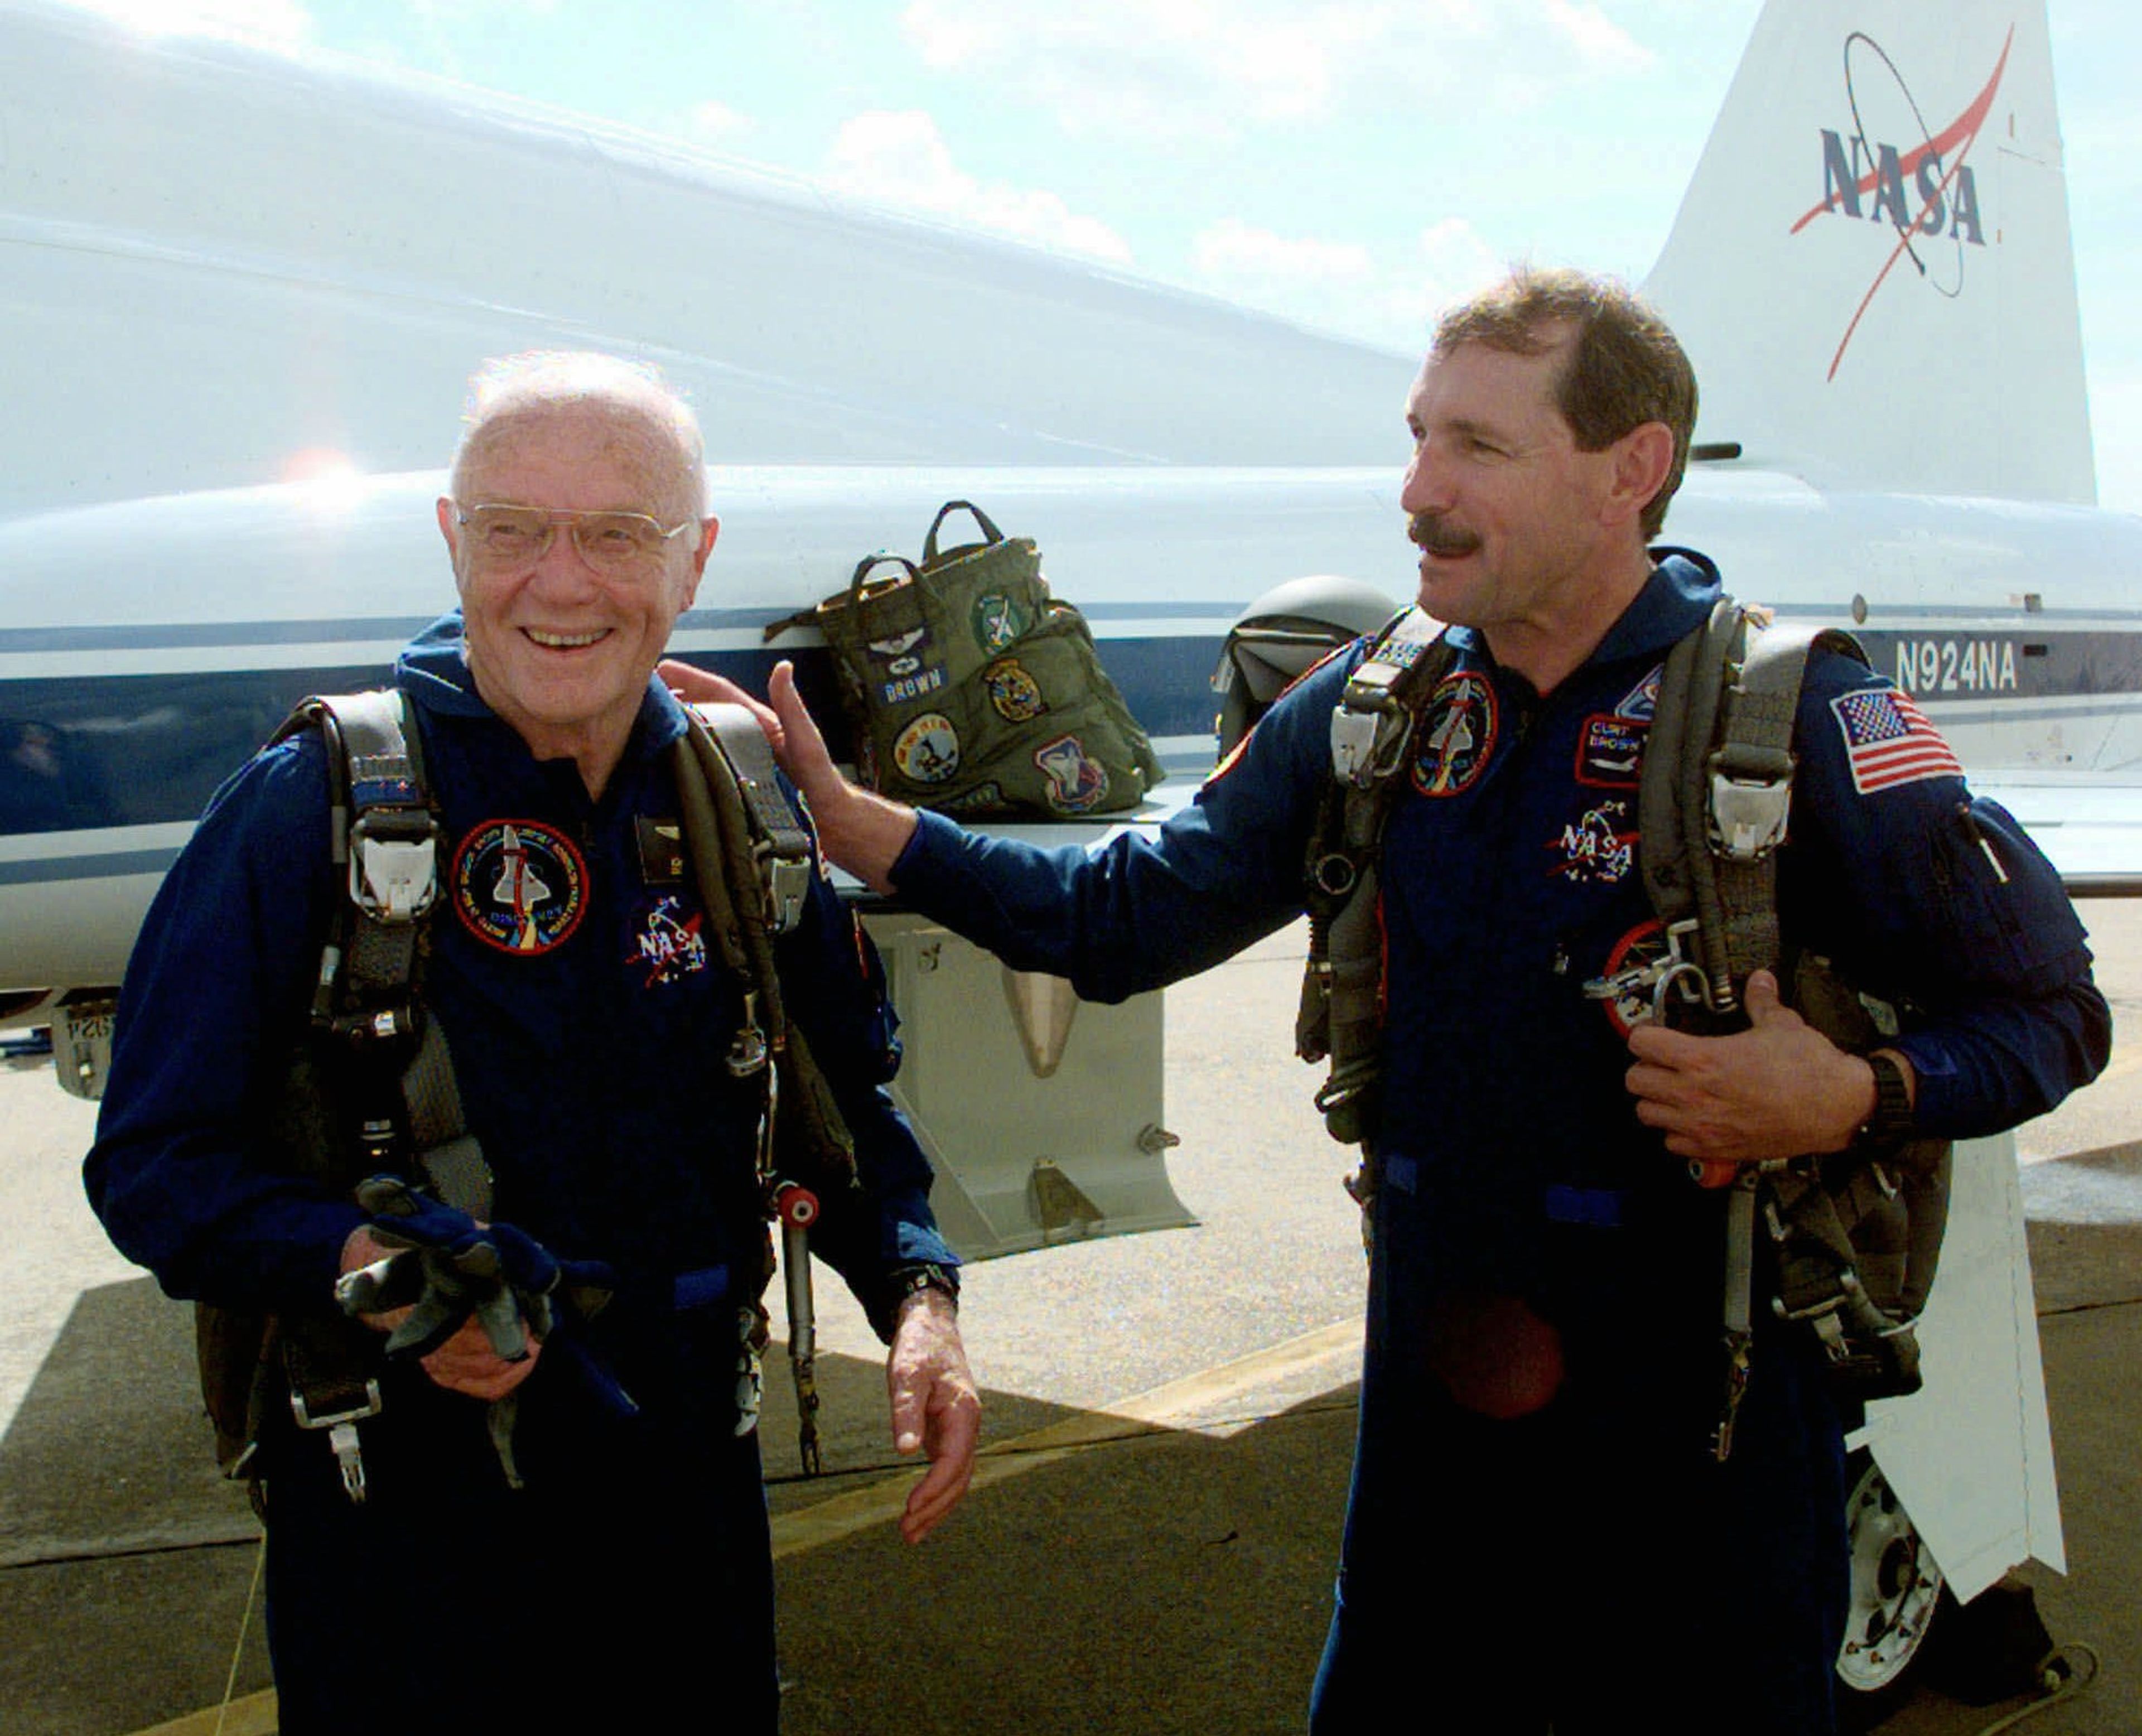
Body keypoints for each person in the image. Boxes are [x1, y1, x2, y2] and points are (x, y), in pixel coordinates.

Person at [668, 269, 2110, 1732]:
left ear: (1633, 470)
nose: (1419, 489)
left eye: (1477, 447)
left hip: (1709, 1433)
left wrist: (1856, 1094)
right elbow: (1124, 916)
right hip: (1439, 1439)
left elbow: (2053, 1009)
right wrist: (865, 829)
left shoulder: (1788, 716)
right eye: (1419, 438)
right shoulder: (1385, 706)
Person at [85, 353, 980, 1733]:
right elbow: (151, 1165)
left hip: (688, 1485)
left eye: (618, 533)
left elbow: (842, 1090)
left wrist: (919, 1300)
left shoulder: (744, 805)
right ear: (454, 540)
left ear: (694, 562)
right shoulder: (314, 808)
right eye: (512, 530)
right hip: (410, 1516)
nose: (560, 584)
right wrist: (370, 1265)